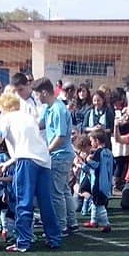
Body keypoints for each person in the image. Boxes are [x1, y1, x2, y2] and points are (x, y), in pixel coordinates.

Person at [0, 92, 62, 253]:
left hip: (26, 162)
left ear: (3, 106)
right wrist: (9, 162)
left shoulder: (5, 118)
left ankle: (23, 242)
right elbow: (28, 145)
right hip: (44, 160)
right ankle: (54, 238)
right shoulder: (28, 118)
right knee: (45, 202)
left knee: (23, 201)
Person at [33, 77, 78, 234]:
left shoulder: (59, 109)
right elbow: (41, 124)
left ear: (44, 92)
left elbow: (60, 136)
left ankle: (60, 226)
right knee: (64, 189)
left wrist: (46, 151)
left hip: (60, 156)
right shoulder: (49, 107)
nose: (37, 98)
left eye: (37, 94)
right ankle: (72, 222)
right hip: (60, 155)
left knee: (56, 192)